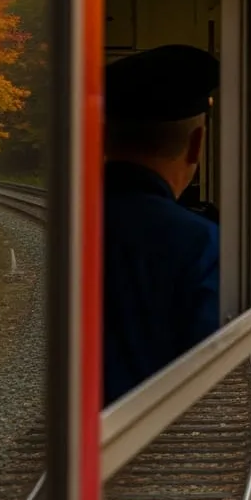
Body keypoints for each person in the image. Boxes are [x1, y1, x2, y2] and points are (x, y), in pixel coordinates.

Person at [102, 45, 221, 405]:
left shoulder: (67, 217)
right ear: (196, 145)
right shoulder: (199, 242)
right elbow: (212, 377)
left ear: (104, 138)